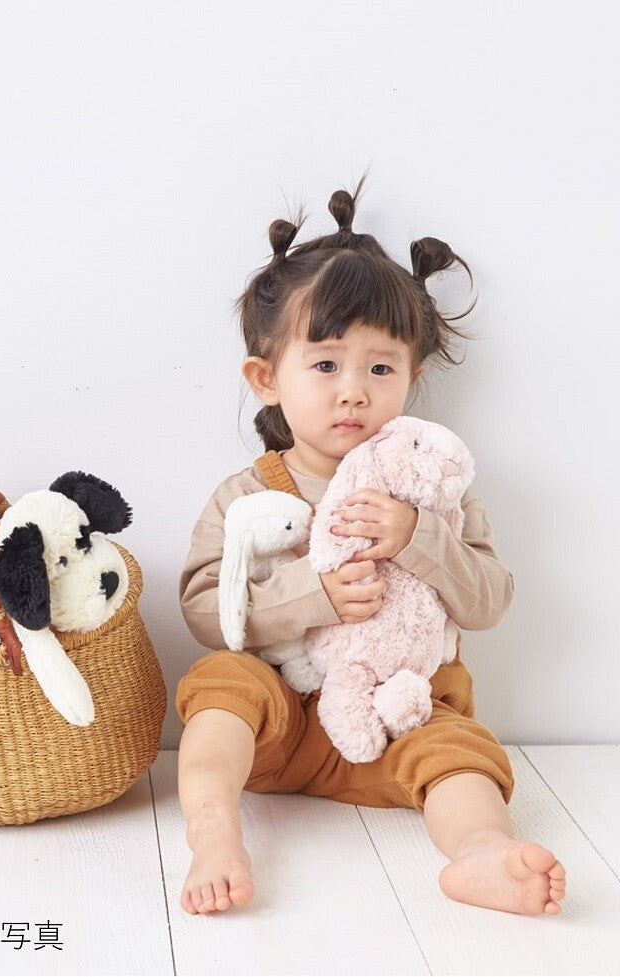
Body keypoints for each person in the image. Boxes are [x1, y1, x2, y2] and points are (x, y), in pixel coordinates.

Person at [175, 176, 566, 918]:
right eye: (325, 365)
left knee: (458, 749)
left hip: (396, 716)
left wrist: (418, 538)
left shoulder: (437, 493)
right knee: (221, 685)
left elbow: (489, 602)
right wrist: (312, 597)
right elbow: (203, 610)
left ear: (411, 377)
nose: (353, 390)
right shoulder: (248, 496)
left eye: (379, 367)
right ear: (266, 378)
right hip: (281, 725)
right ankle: (214, 831)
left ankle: (481, 851)